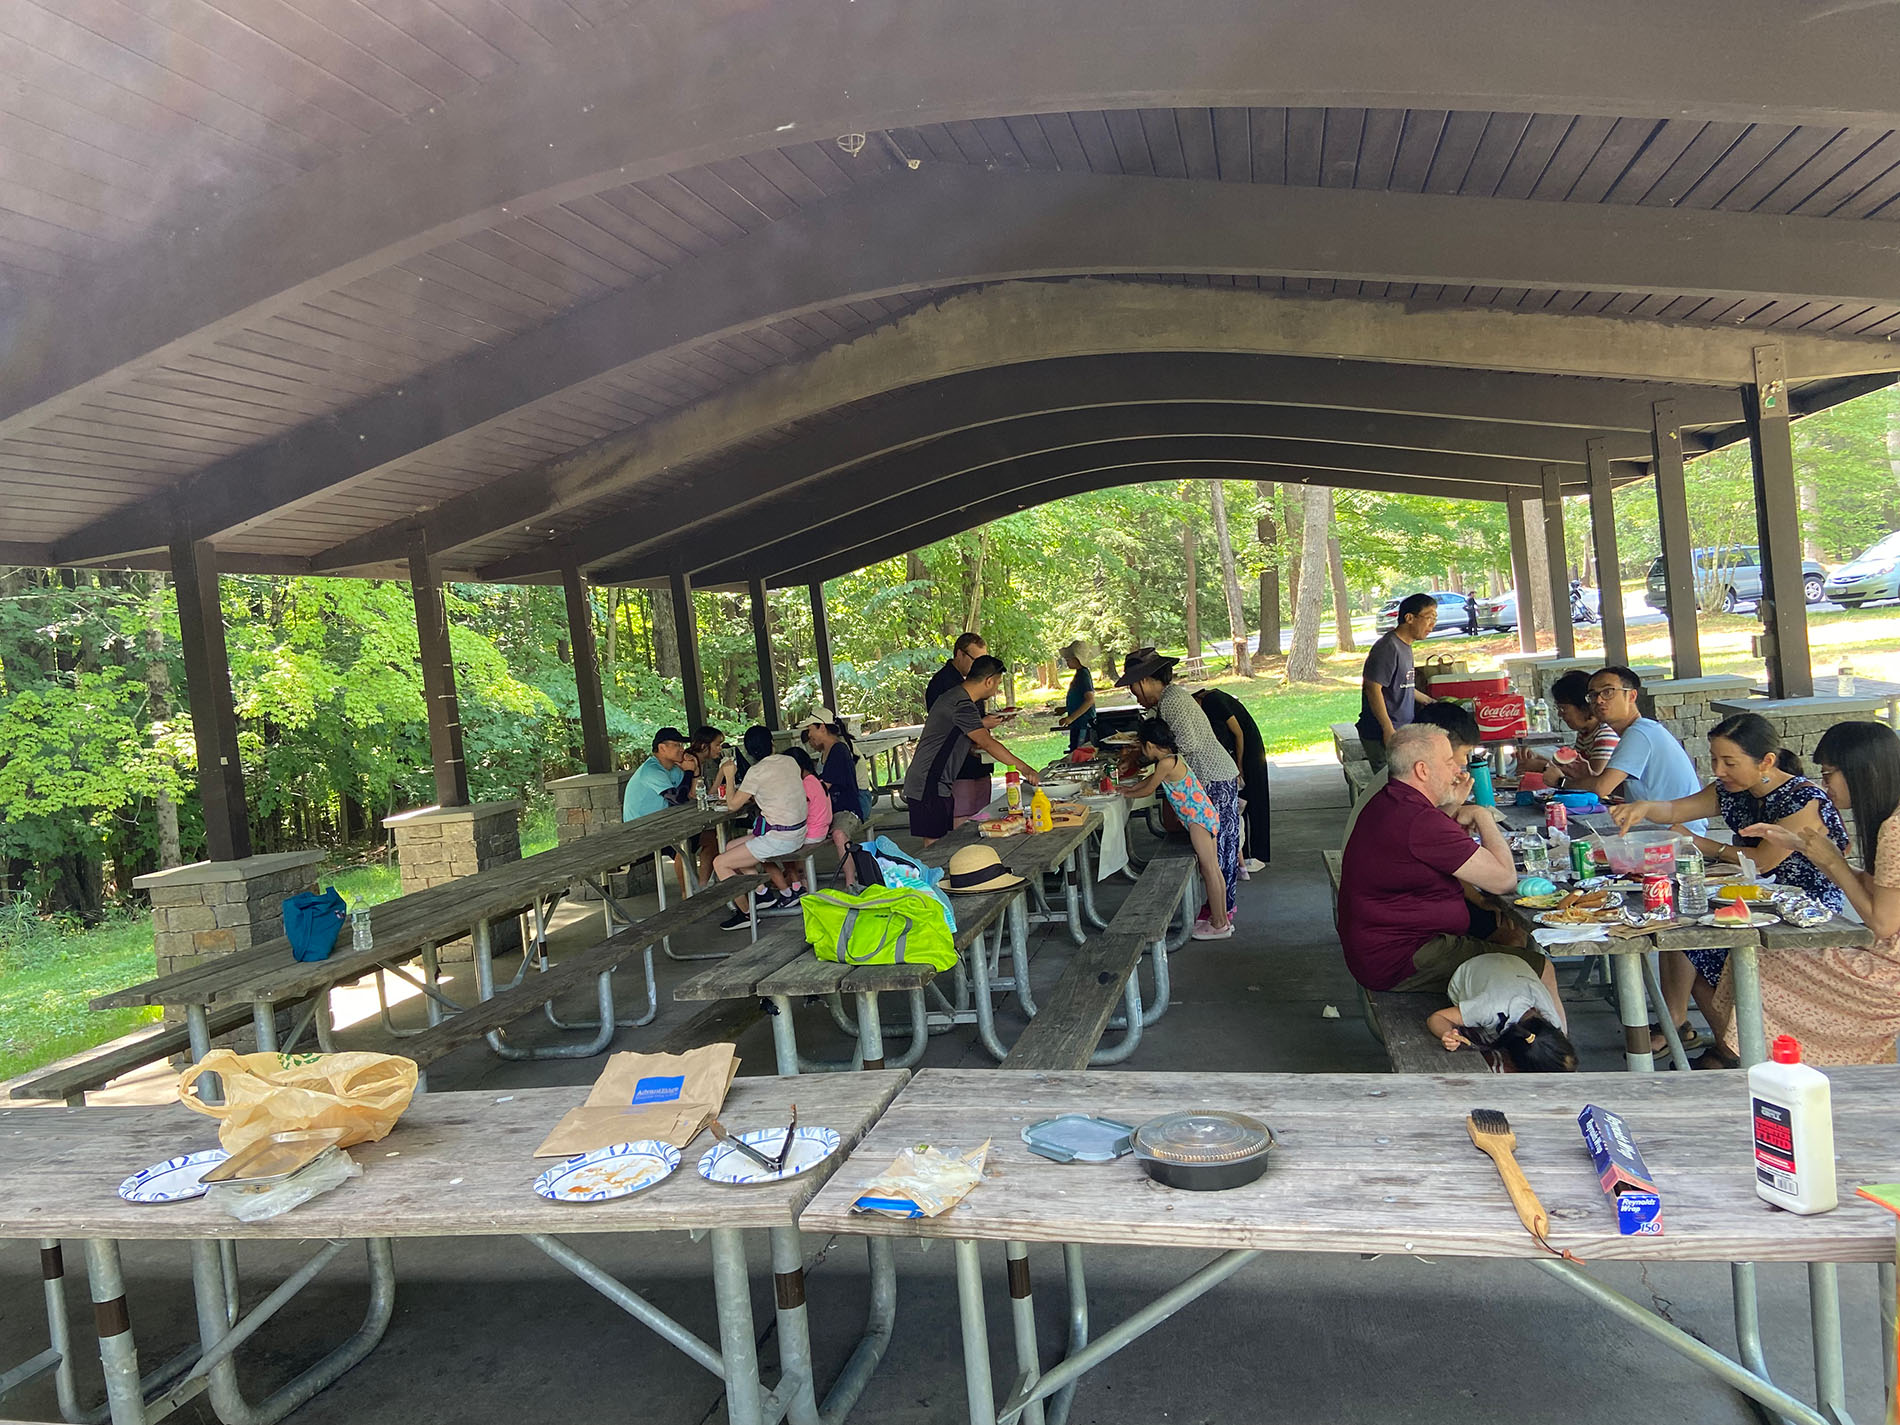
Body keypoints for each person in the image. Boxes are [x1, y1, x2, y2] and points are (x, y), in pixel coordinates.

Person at [1611, 711, 1851, 1066]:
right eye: (1714, 760)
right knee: (1683, 937)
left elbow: (1764, 860)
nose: (1719, 770)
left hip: (1805, 903)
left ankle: (1736, 1049)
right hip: (1754, 896)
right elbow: (1675, 809)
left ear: (1766, 761)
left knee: (1709, 948)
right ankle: (1724, 1041)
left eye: (1729, 762)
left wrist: (1699, 843)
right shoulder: (1730, 790)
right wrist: (1643, 807)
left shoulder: (1802, 798)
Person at [1726, 720, 1900, 1065]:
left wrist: (1832, 860)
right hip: (1884, 954)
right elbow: (1878, 890)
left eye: (1829, 774)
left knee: (1760, 961)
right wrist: (1804, 848)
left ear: (1863, 771)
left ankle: (1769, 1065)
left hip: (1889, 971)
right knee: (1758, 957)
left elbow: (1882, 923)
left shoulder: (1894, 828)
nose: (1825, 785)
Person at [1338, 723, 1553, 999]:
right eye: (1449, 761)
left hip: (1384, 946)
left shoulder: (1392, 800)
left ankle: (1507, 1020)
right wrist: (1483, 816)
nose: (1458, 769)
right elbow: (1504, 880)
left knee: (1511, 936)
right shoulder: (1419, 821)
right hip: (1402, 958)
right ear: (1422, 770)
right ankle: (1542, 1029)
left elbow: (1425, 845)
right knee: (1541, 969)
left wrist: (1451, 805)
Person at [1117, 648, 1241, 926]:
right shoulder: (1168, 699)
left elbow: (1187, 744)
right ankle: (1219, 910)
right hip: (1209, 778)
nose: (1134, 695)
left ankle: (1222, 914)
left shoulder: (1172, 701)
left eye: (1133, 687)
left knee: (1218, 857)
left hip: (1213, 776)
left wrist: (1154, 758)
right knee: (1217, 856)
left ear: (1144, 680)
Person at [905, 654, 1040, 845]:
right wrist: (1025, 769)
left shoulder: (956, 697)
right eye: (997, 683)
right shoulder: (961, 704)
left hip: (936, 780)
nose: (997, 689)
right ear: (988, 681)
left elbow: (965, 740)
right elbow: (987, 742)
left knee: (942, 839)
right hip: (929, 781)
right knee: (934, 844)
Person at [1117, 717, 1231, 939]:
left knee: (1209, 870)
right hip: (1204, 815)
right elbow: (1150, 780)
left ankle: (1218, 923)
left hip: (1197, 820)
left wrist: (1126, 794)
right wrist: (1127, 789)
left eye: (1142, 746)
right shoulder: (1172, 759)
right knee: (1214, 869)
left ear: (1150, 745)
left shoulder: (1165, 764)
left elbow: (1149, 789)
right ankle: (1222, 920)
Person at [1558, 667, 1706, 830]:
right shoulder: (1641, 730)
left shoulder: (1639, 733)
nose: (1599, 700)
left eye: (1608, 692)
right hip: (1662, 828)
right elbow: (1626, 789)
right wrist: (1588, 776)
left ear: (1631, 696)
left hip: (1677, 833)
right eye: (1593, 695)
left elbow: (1601, 788)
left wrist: (1561, 781)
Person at [710, 725, 809, 930]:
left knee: (720, 863)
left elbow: (732, 805)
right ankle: (762, 893)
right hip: (798, 831)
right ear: (772, 744)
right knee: (731, 847)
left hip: (780, 837)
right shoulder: (790, 761)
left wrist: (729, 775)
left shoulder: (755, 772)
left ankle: (746, 913)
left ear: (749, 752)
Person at [1341, 701, 1481, 843]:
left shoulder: (1401, 772)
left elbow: (1431, 827)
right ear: (1441, 745)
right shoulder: (1404, 786)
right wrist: (1482, 816)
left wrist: (1454, 802)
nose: (1465, 762)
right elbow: (1429, 834)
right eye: (1465, 753)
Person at [1426, 953, 1578, 1072]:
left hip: (1513, 964)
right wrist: (1447, 1034)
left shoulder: (1552, 1019)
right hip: (1472, 968)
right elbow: (1437, 1017)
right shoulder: (1488, 1009)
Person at [925, 632, 1007, 821]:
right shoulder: (942, 684)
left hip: (979, 761)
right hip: (957, 768)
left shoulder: (974, 681)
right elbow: (946, 726)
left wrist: (991, 719)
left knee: (983, 816)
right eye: (976, 660)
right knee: (962, 819)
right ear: (959, 654)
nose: (981, 666)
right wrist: (982, 724)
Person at [1356, 593, 1438, 769]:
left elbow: (1403, 685)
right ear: (1409, 618)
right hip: (1382, 733)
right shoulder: (1388, 647)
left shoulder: (1405, 646)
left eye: (1435, 618)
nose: (1432, 624)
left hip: (1401, 731)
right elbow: (1373, 688)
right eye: (1429, 617)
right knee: (1393, 783)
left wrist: (1431, 702)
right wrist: (1387, 729)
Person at [1193, 685, 1270, 870]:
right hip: (1237, 752)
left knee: (1255, 799)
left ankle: (1259, 855)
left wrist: (1239, 764)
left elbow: (1238, 732)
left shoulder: (1213, 701)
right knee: (1243, 802)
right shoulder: (1210, 701)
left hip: (1249, 750)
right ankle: (1246, 853)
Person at [624, 726, 692, 893]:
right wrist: (689, 772)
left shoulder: (673, 769)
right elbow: (677, 799)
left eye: (682, 745)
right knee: (684, 845)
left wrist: (693, 770)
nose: (682, 749)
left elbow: (689, 795)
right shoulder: (651, 770)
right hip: (642, 830)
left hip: (662, 824)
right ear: (662, 747)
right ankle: (688, 894)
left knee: (708, 838)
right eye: (677, 745)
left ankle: (700, 885)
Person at [803, 709, 866, 889]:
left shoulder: (838, 750)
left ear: (822, 727)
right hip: (829, 808)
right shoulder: (827, 751)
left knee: (839, 834)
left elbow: (823, 787)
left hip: (846, 809)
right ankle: (799, 881)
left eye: (810, 730)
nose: (809, 735)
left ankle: (851, 884)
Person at [1518, 671, 1618, 780]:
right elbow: (1572, 768)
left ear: (1583, 706)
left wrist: (1543, 766)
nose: (1559, 714)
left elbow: (1592, 780)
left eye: (1563, 708)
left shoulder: (1605, 736)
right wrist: (1537, 758)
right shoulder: (1585, 733)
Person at [684, 724, 727, 885]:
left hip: (693, 813)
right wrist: (722, 773)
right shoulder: (690, 760)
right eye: (717, 744)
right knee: (711, 841)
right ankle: (702, 886)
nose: (720, 749)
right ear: (704, 745)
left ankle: (704, 884)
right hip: (684, 817)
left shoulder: (702, 761)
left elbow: (706, 795)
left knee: (714, 838)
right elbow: (696, 795)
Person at [1054, 641, 1098, 750]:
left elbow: (1090, 700)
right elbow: (1080, 700)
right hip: (1078, 724)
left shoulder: (1083, 675)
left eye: (1068, 659)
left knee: (1079, 751)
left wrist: (1071, 718)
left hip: (1083, 724)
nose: (1066, 661)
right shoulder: (1079, 674)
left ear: (1077, 659)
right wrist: (1066, 709)